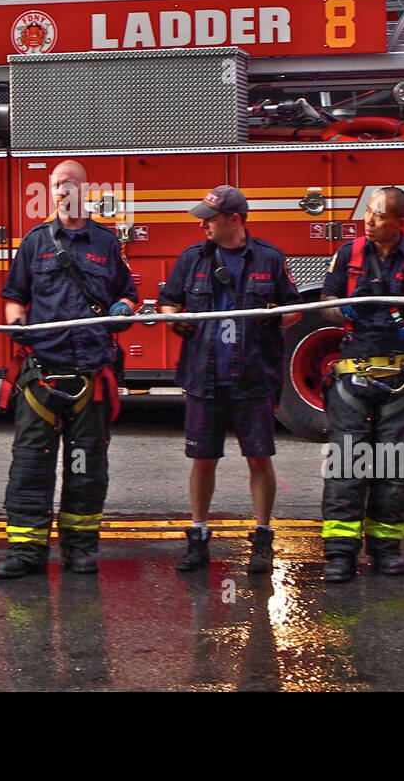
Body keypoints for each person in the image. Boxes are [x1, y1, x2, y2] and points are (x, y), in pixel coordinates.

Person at [0, 159, 137, 578]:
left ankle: (79, 549)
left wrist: (123, 308)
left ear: (83, 191)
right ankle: (25, 552)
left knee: (86, 465)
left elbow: (128, 293)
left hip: (90, 371)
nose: (60, 190)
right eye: (55, 184)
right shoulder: (35, 242)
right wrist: (15, 321)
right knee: (30, 465)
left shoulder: (107, 243)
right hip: (42, 373)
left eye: (68, 184)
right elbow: (13, 295)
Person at [158, 185, 300, 573]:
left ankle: (262, 538)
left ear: (234, 220)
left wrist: (281, 314)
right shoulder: (192, 259)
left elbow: (295, 309)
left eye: (210, 217)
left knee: (259, 457)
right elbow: (168, 300)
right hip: (204, 377)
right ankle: (199, 537)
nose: (203, 224)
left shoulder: (269, 259)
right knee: (203, 460)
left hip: (253, 378)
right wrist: (174, 316)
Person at [318, 187, 404, 582]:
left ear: (400, 222)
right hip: (353, 376)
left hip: (401, 376)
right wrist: (344, 308)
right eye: (369, 214)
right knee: (345, 466)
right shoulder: (348, 255)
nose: (369, 222)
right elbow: (325, 303)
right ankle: (340, 553)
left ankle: (386, 550)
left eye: (379, 216)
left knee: (393, 469)